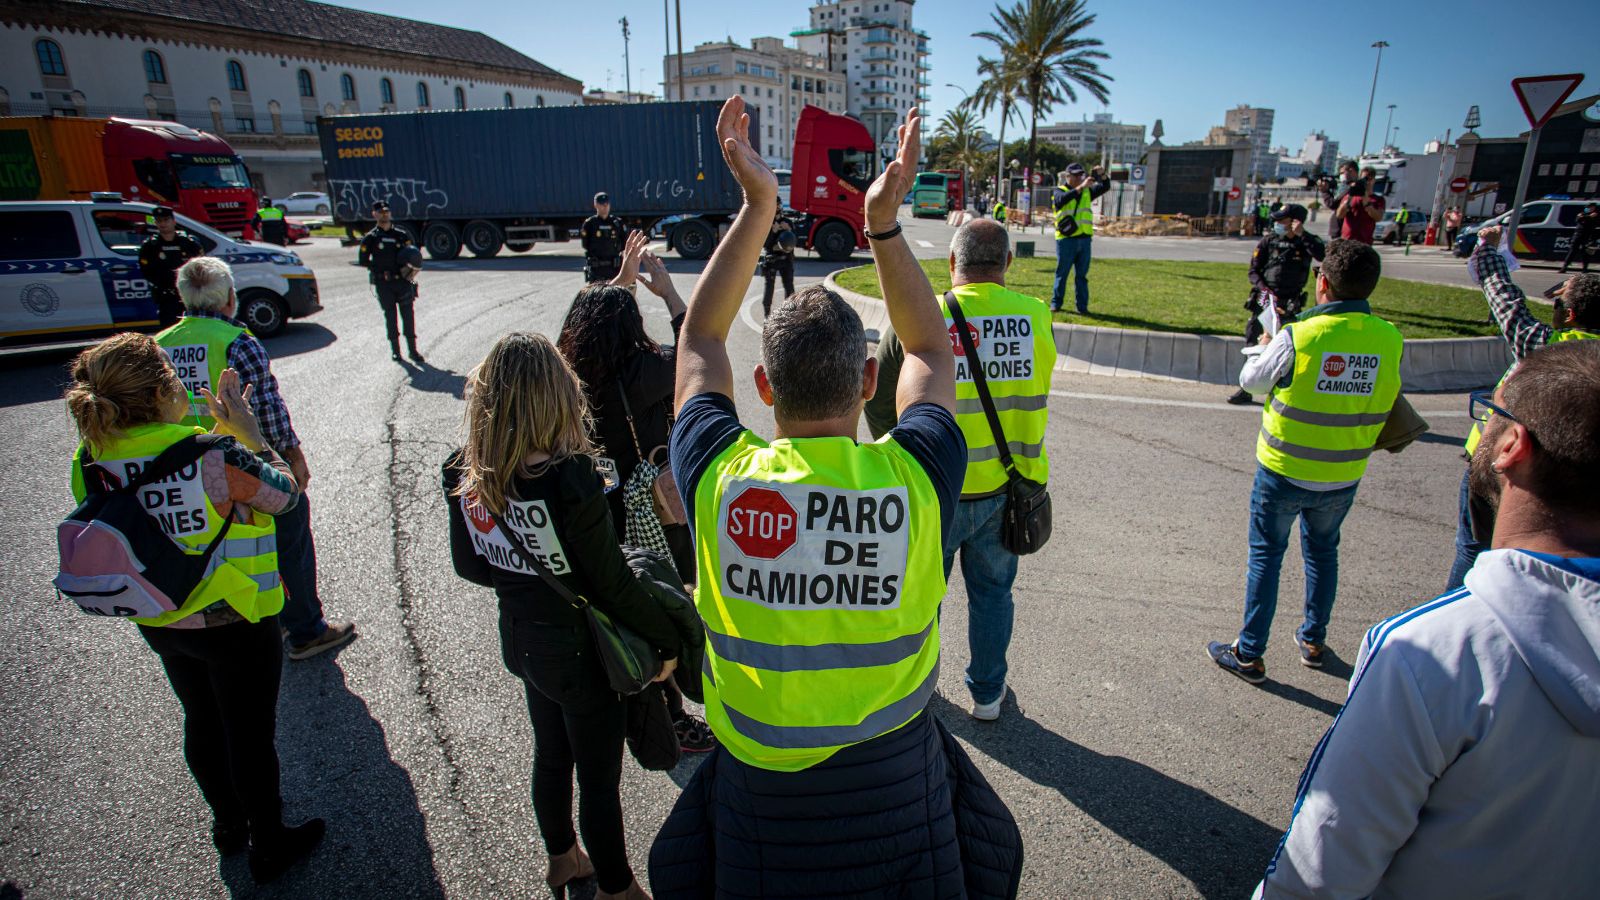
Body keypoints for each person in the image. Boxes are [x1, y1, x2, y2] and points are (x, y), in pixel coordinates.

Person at [648, 97, 1021, 898]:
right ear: (867, 381)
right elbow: (930, 346)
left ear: (762, 386)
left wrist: (759, 207)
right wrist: (881, 223)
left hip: (757, 794)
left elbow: (699, 340)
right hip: (897, 784)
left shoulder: (721, 475)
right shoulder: (914, 477)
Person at [1258, 339, 1600, 897]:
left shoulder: (1430, 653)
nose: (1485, 424)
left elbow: (1319, 872)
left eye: (1493, 412)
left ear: (1513, 444)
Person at [64, 333, 324, 883]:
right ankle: (269, 841)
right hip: (235, 616)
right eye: (174, 377)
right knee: (249, 735)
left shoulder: (92, 458)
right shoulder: (213, 454)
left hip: (158, 615)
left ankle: (227, 826)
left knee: (201, 719)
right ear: (162, 395)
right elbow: (284, 497)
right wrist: (249, 436)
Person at [445, 332, 683, 900]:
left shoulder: (468, 470)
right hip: (583, 655)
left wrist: (522, 578)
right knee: (599, 780)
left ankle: (562, 860)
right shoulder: (572, 477)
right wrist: (665, 638)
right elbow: (613, 582)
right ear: (558, 394)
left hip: (524, 640)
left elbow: (468, 566)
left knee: (551, 755)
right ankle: (618, 888)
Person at [865, 218, 1056, 721]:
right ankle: (988, 695)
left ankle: (917, 688)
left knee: (922, 596)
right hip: (1005, 488)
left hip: (935, 489)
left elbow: (880, 398)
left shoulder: (920, 316)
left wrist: (902, 451)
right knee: (993, 595)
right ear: (1008, 264)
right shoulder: (1035, 316)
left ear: (953, 264)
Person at [1208, 240, 1403, 682]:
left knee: (1266, 557)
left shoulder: (1301, 335)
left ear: (1323, 283)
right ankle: (1313, 640)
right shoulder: (1390, 337)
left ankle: (1250, 652)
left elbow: (1251, 381)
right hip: (1343, 473)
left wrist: (1264, 346)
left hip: (1285, 468)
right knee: (1322, 554)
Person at [555, 236, 716, 755]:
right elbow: (696, 350)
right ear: (631, 325)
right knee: (664, 600)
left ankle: (649, 699)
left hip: (599, 510)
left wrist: (616, 285)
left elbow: (584, 321)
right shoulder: (644, 372)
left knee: (620, 598)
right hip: (653, 513)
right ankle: (675, 713)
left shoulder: (568, 372)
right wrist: (668, 294)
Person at [159, 257, 356, 660]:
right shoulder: (236, 341)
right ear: (230, 297)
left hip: (185, 467)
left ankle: (242, 621)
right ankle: (304, 629)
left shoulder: (160, 345)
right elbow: (266, 409)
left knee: (218, 547)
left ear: (182, 296)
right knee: (290, 538)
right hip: (245, 463)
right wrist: (292, 457)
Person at [1445, 225, 1600, 590]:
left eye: (1559, 304)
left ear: (1571, 314)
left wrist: (1487, 249)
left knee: (1472, 549)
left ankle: (1457, 612)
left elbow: (1502, 295)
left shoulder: (1546, 347)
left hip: (1506, 469)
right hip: (1581, 477)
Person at [1228, 203, 1327, 405]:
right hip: (1265, 298)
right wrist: (1265, 290)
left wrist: (1303, 236)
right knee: (1253, 340)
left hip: (1291, 301)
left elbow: (1323, 256)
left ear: (1295, 222)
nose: (1277, 223)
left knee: (1288, 345)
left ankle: (1283, 389)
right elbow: (1253, 271)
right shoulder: (1269, 241)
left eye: (1282, 220)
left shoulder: (1307, 242)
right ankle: (1246, 388)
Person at [359, 201, 424, 363]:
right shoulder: (371, 238)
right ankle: (396, 351)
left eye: (386, 211)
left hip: (402, 282)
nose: (384, 214)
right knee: (390, 316)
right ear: (374, 214)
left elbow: (413, 255)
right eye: (380, 212)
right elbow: (363, 260)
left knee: (408, 316)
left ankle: (413, 350)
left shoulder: (401, 235)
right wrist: (378, 269)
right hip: (384, 284)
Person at [1050, 162, 1109, 313]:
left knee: (1081, 276)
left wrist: (1102, 174)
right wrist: (1081, 187)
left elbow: (1105, 186)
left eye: (1080, 175)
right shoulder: (1059, 191)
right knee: (1062, 274)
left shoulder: (1087, 192)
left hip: (1084, 239)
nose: (1078, 178)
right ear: (1067, 176)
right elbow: (1061, 200)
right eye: (1075, 175)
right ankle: (1056, 303)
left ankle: (1082, 307)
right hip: (1066, 239)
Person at [138, 206, 205, 328]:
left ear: (173, 221)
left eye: (166, 220)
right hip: (166, 297)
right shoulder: (150, 246)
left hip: (189, 295)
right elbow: (147, 272)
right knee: (169, 329)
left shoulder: (188, 243)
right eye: (159, 221)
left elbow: (200, 265)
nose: (163, 224)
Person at [580, 192, 627, 283]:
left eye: (607, 204)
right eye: (602, 204)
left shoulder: (617, 223)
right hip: (596, 270)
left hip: (614, 270)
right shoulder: (590, 224)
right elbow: (585, 244)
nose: (605, 206)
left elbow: (624, 243)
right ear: (596, 205)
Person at [759, 210, 796, 317]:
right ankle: (767, 314)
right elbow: (765, 244)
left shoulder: (787, 222)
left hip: (786, 260)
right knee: (769, 286)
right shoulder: (767, 223)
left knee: (789, 286)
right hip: (772, 260)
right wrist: (773, 232)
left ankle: (790, 313)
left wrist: (789, 230)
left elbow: (794, 241)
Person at [1337, 167, 1385, 245]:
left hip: (1365, 242)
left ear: (1374, 181)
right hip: (1347, 240)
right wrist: (1349, 198)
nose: (1367, 182)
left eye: (1370, 179)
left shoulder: (1378, 199)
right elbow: (1339, 215)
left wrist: (1367, 203)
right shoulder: (1349, 196)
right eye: (1364, 179)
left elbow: (1378, 217)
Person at [1320, 161, 1360, 240]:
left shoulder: (1353, 188)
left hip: (1345, 232)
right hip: (1341, 230)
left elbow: (1332, 204)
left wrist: (1324, 191)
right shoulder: (1347, 187)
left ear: (1351, 171)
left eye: (1342, 173)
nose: (1341, 176)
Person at [1562, 201, 1599, 273]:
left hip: (1588, 236)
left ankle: (1585, 269)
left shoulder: (1596, 215)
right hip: (1578, 235)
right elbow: (1578, 220)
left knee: (1585, 253)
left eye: (1591, 207)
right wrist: (1589, 217)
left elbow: (1595, 222)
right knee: (1572, 251)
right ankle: (1564, 267)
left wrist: (1587, 218)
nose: (1589, 208)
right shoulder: (1582, 213)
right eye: (1588, 207)